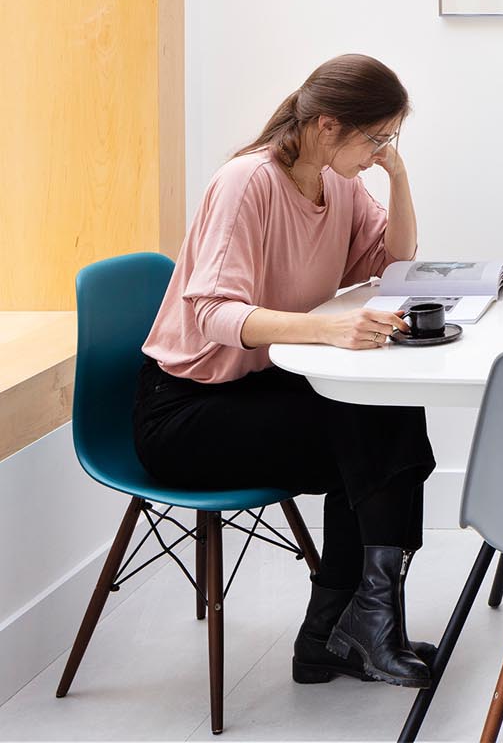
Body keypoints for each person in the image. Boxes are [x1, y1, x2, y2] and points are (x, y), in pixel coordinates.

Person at [133, 54, 438, 688]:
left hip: (254, 391)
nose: (381, 150)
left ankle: (350, 629)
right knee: (374, 436)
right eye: (376, 138)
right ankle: (348, 630)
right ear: (328, 125)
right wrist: (328, 328)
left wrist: (398, 176)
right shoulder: (248, 182)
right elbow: (214, 314)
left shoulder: (339, 184)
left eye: (391, 139)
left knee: (382, 415)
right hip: (186, 410)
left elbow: (397, 258)